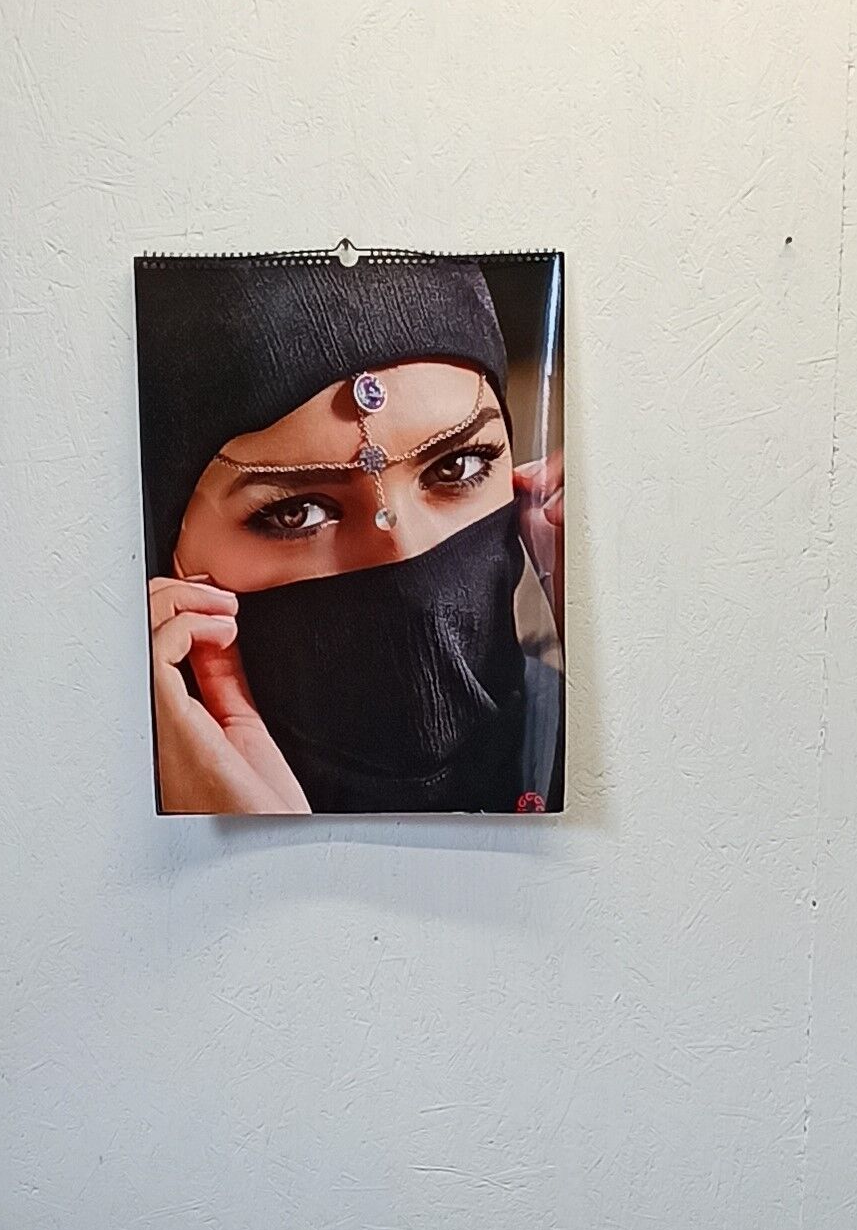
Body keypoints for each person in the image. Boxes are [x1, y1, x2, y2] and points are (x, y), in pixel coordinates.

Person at [136, 255, 564, 815]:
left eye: (457, 467)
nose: (401, 549)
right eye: (296, 513)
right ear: (168, 548)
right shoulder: (80, 804)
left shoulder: (592, 748)